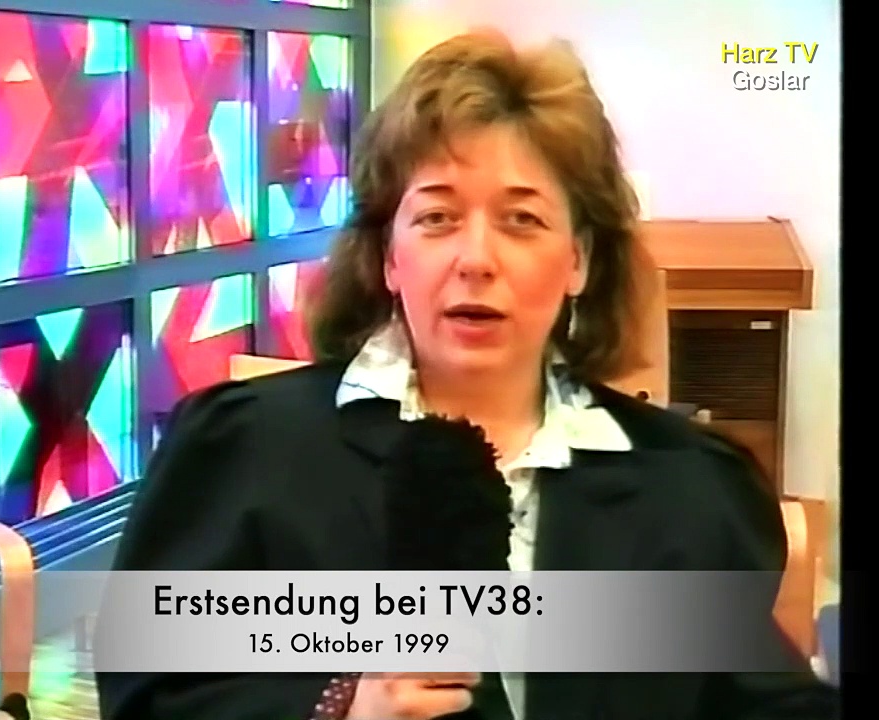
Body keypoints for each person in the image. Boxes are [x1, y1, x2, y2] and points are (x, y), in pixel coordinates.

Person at [95, 29, 840, 720]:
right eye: (437, 218)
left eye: (522, 220)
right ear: (389, 257)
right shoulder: (243, 449)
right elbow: (150, 695)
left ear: (578, 260)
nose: (476, 259)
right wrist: (342, 706)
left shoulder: (686, 486)